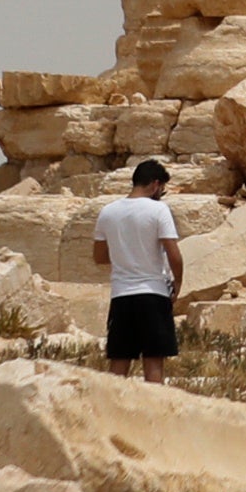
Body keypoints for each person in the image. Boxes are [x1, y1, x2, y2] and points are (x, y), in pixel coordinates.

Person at [93, 158, 184, 382]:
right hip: (153, 292)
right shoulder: (159, 210)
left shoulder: (107, 212)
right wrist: (178, 282)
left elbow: (99, 256)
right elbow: (174, 254)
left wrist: (125, 255)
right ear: (155, 184)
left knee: (119, 361)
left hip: (122, 295)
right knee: (153, 362)